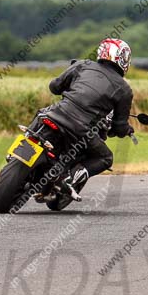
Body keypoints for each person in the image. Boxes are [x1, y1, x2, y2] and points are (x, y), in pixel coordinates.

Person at [42, 38, 135, 200]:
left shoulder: (82, 65)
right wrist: (126, 130)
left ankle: (18, 154)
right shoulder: (124, 89)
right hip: (81, 128)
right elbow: (120, 126)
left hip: (55, 113)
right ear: (121, 59)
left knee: (39, 119)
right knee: (106, 157)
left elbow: (54, 86)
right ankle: (71, 179)